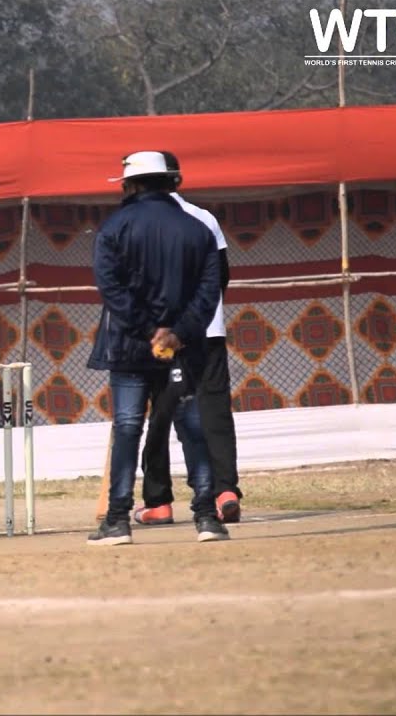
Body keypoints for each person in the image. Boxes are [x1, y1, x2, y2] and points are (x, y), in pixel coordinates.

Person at [85, 151, 224, 546]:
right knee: (191, 427)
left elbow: (112, 289)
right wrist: (178, 333)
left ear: (130, 185)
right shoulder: (198, 229)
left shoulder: (114, 228)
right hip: (183, 349)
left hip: (130, 347)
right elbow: (210, 291)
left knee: (128, 428)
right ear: (171, 183)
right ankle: (206, 517)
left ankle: (117, 520)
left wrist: (148, 329)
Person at [136, 151, 244, 526]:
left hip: (161, 337)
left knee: (160, 416)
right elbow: (221, 277)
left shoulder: (135, 223)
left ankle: (159, 502)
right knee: (214, 412)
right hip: (208, 332)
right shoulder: (204, 218)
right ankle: (225, 491)